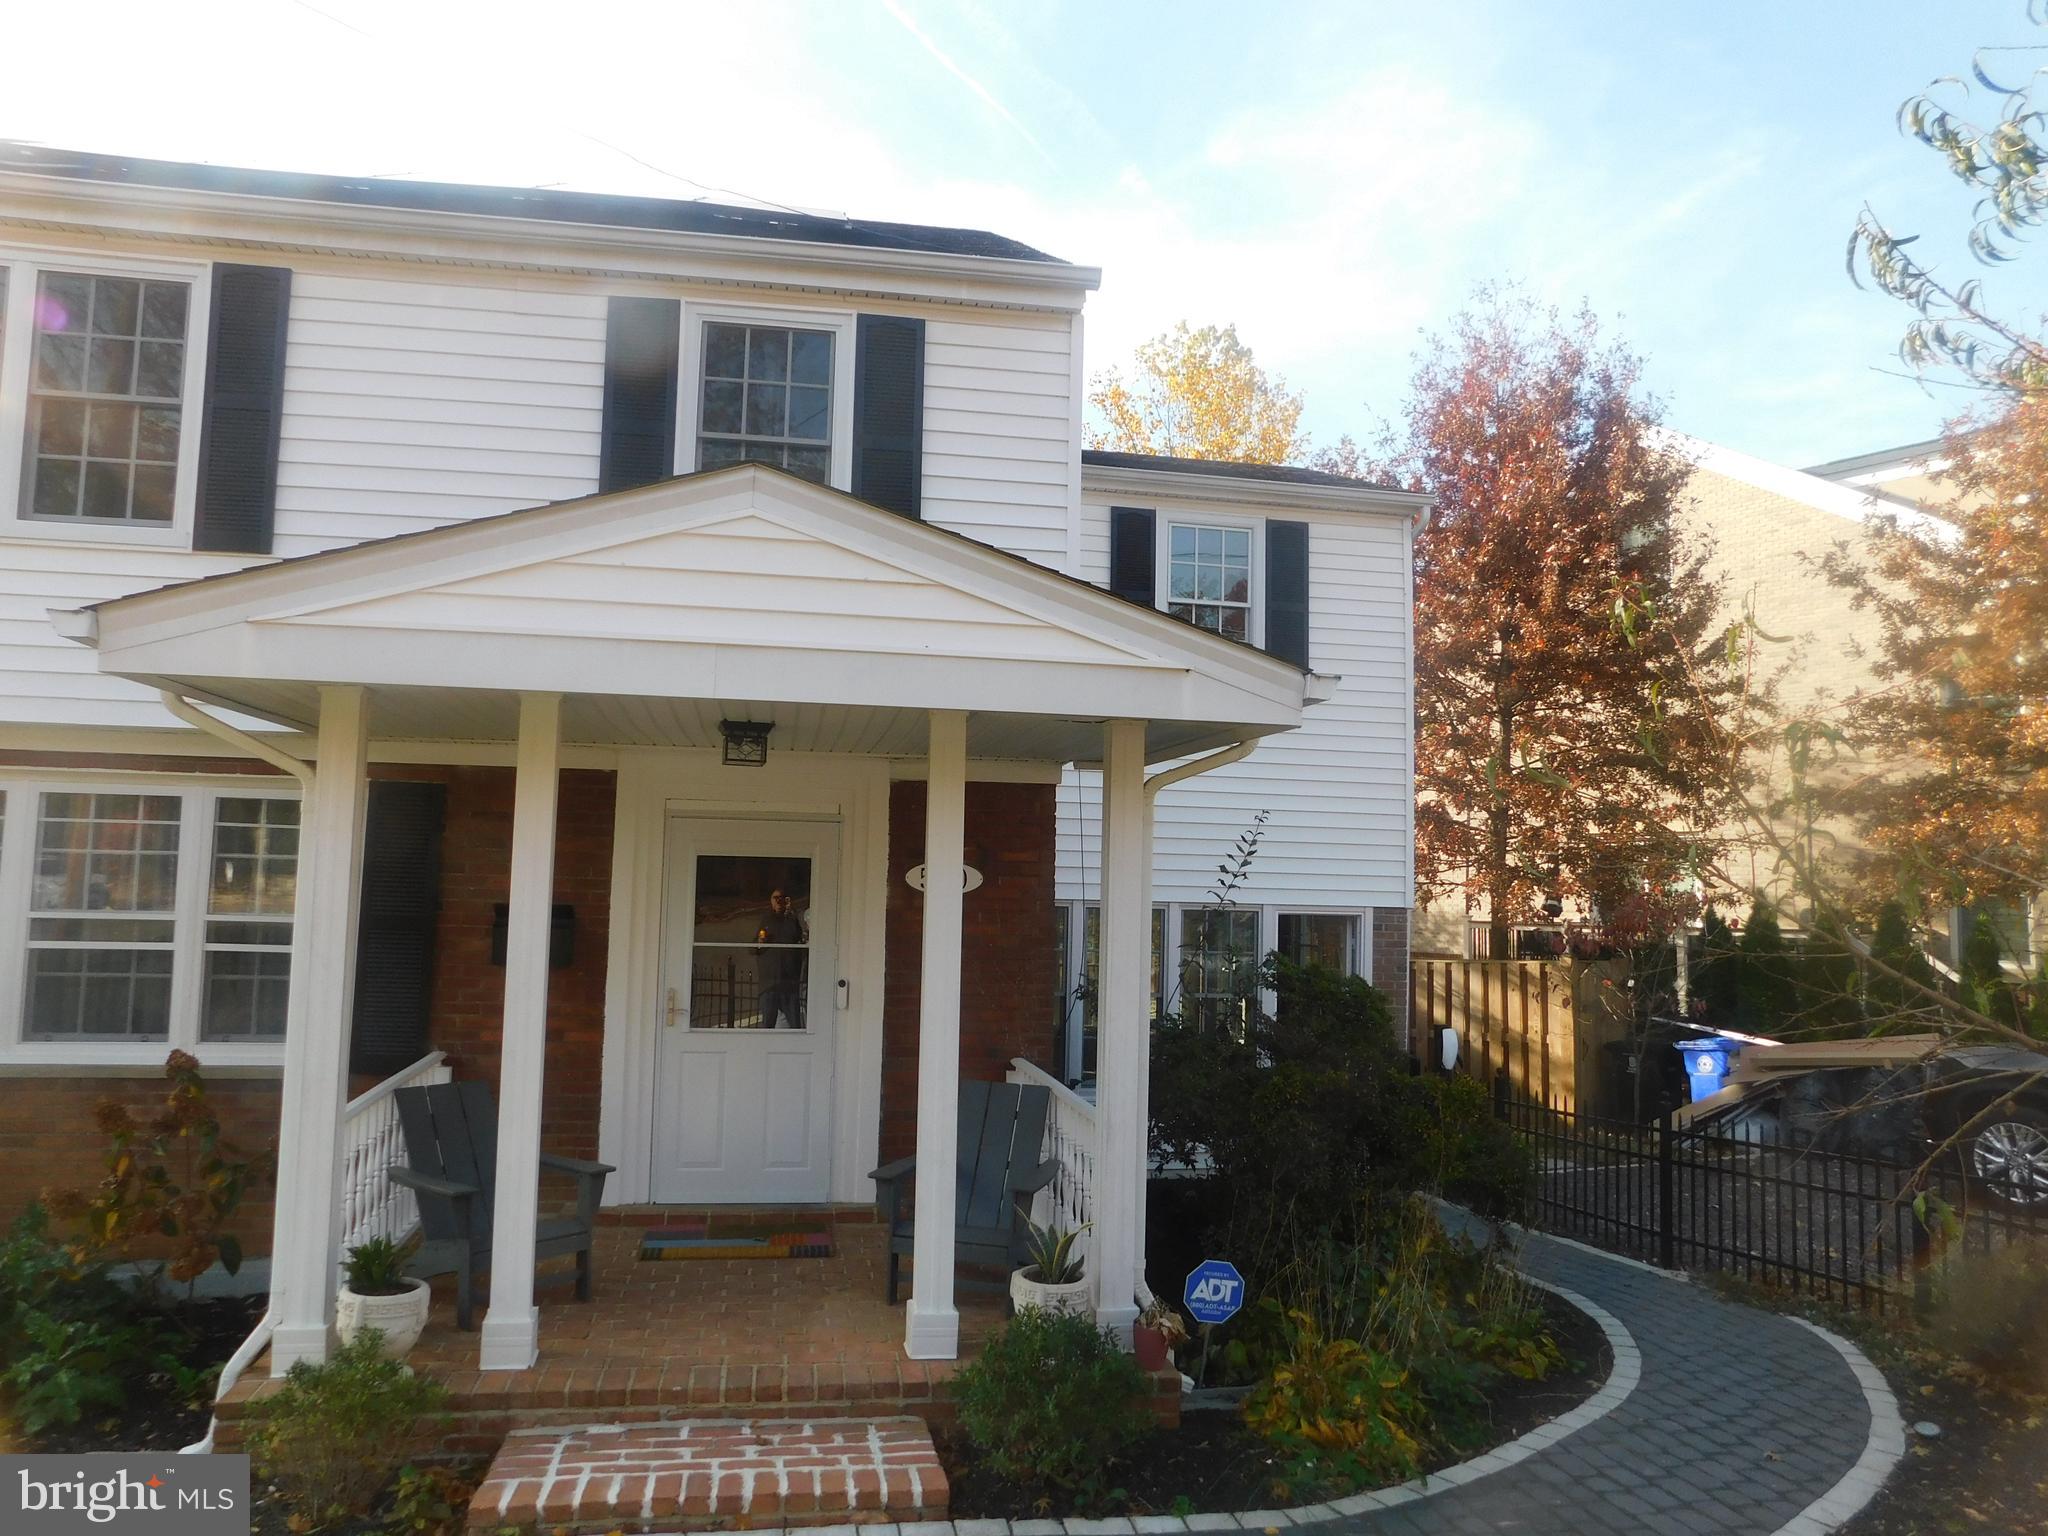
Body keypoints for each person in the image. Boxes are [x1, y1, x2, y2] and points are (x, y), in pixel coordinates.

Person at [755, 889, 808, 1028]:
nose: (779, 901)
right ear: (771, 901)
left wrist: (790, 913)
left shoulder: (791, 919)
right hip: (769, 983)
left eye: (782, 898)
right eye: (775, 898)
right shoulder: (766, 920)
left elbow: (796, 938)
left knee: (795, 1027)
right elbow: (755, 948)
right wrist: (760, 942)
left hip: (788, 982)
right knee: (767, 1026)